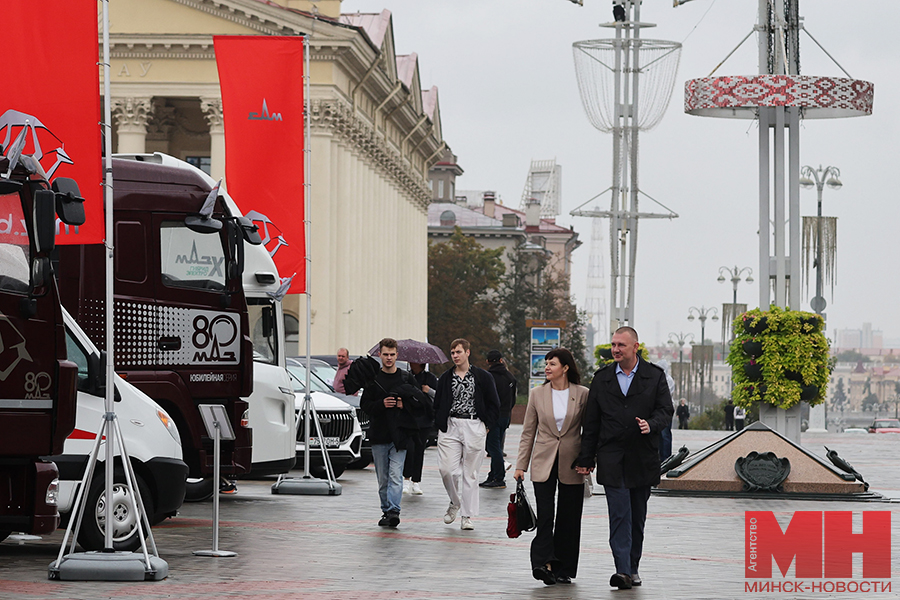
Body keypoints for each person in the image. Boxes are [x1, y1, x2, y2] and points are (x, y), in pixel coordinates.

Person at [576, 326, 674, 590]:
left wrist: (651, 424)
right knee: (619, 514)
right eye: (613, 344)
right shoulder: (602, 378)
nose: (615, 349)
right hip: (612, 456)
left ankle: (633, 566)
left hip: (642, 457)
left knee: (637, 516)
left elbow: (666, 410)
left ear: (635, 347)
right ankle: (622, 570)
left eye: (621, 345)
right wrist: (586, 458)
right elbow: (592, 422)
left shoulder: (654, 376)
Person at [514, 348, 589, 586]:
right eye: (546, 363)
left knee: (569, 517)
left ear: (565, 368)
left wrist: (588, 460)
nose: (547, 367)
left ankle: (564, 568)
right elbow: (528, 432)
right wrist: (520, 465)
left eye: (552, 364)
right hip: (542, 461)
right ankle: (543, 564)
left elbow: (590, 431)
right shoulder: (537, 394)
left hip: (573, 463)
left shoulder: (583, 394)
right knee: (546, 515)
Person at [433, 338, 500, 531]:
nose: (455, 355)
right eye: (452, 352)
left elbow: (494, 403)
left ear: (467, 352)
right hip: (451, 424)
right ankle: (455, 502)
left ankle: (467, 516)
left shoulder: (482, 377)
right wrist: (439, 422)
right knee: (447, 470)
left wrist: (486, 426)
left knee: (470, 473)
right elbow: (437, 403)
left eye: (458, 352)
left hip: (474, 424)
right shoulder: (446, 378)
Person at [360, 338, 425, 528]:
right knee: (383, 479)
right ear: (379, 354)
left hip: (400, 436)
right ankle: (386, 510)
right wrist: (382, 404)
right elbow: (365, 405)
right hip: (379, 435)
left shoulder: (406, 378)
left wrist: (405, 405)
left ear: (397, 355)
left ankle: (394, 511)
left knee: (396, 476)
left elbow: (420, 402)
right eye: (385, 354)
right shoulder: (373, 380)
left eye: (392, 354)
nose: (389, 358)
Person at [481, 349, 517, 489]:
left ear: (488, 362)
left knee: (493, 448)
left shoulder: (488, 377)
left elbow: (485, 399)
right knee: (497, 446)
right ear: (501, 360)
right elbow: (513, 399)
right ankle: (492, 475)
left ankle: (499, 477)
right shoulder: (510, 377)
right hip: (505, 416)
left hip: (493, 417)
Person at [403, 362, 437, 495]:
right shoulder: (406, 376)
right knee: (409, 449)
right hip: (409, 419)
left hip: (425, 420)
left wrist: (429, 391)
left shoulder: (430, 378)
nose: (413, 364)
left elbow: (439, 396)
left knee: (419, 450)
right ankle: (406, 479)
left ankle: (416, 481)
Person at [655, 359, 676, 461]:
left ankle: (666, 457)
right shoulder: (656, 378)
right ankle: (660, 456)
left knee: (665, 434)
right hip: (658, 409)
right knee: (659, 434)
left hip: (666, 409)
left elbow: (664, 394)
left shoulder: (668, 380)